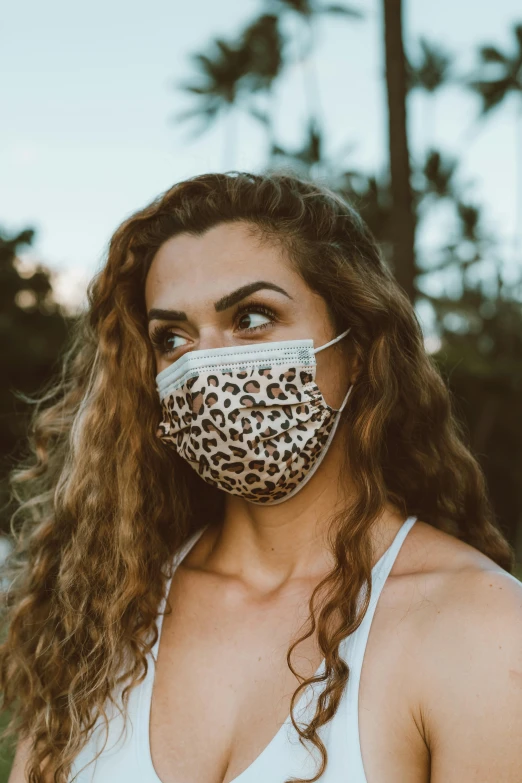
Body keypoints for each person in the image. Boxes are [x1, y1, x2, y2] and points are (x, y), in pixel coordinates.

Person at [1, 171, 521, 783]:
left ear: (357, 347)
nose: (206, 368)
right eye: (173, 337)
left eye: (252, 317)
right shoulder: (102, 609)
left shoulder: (483, 631)